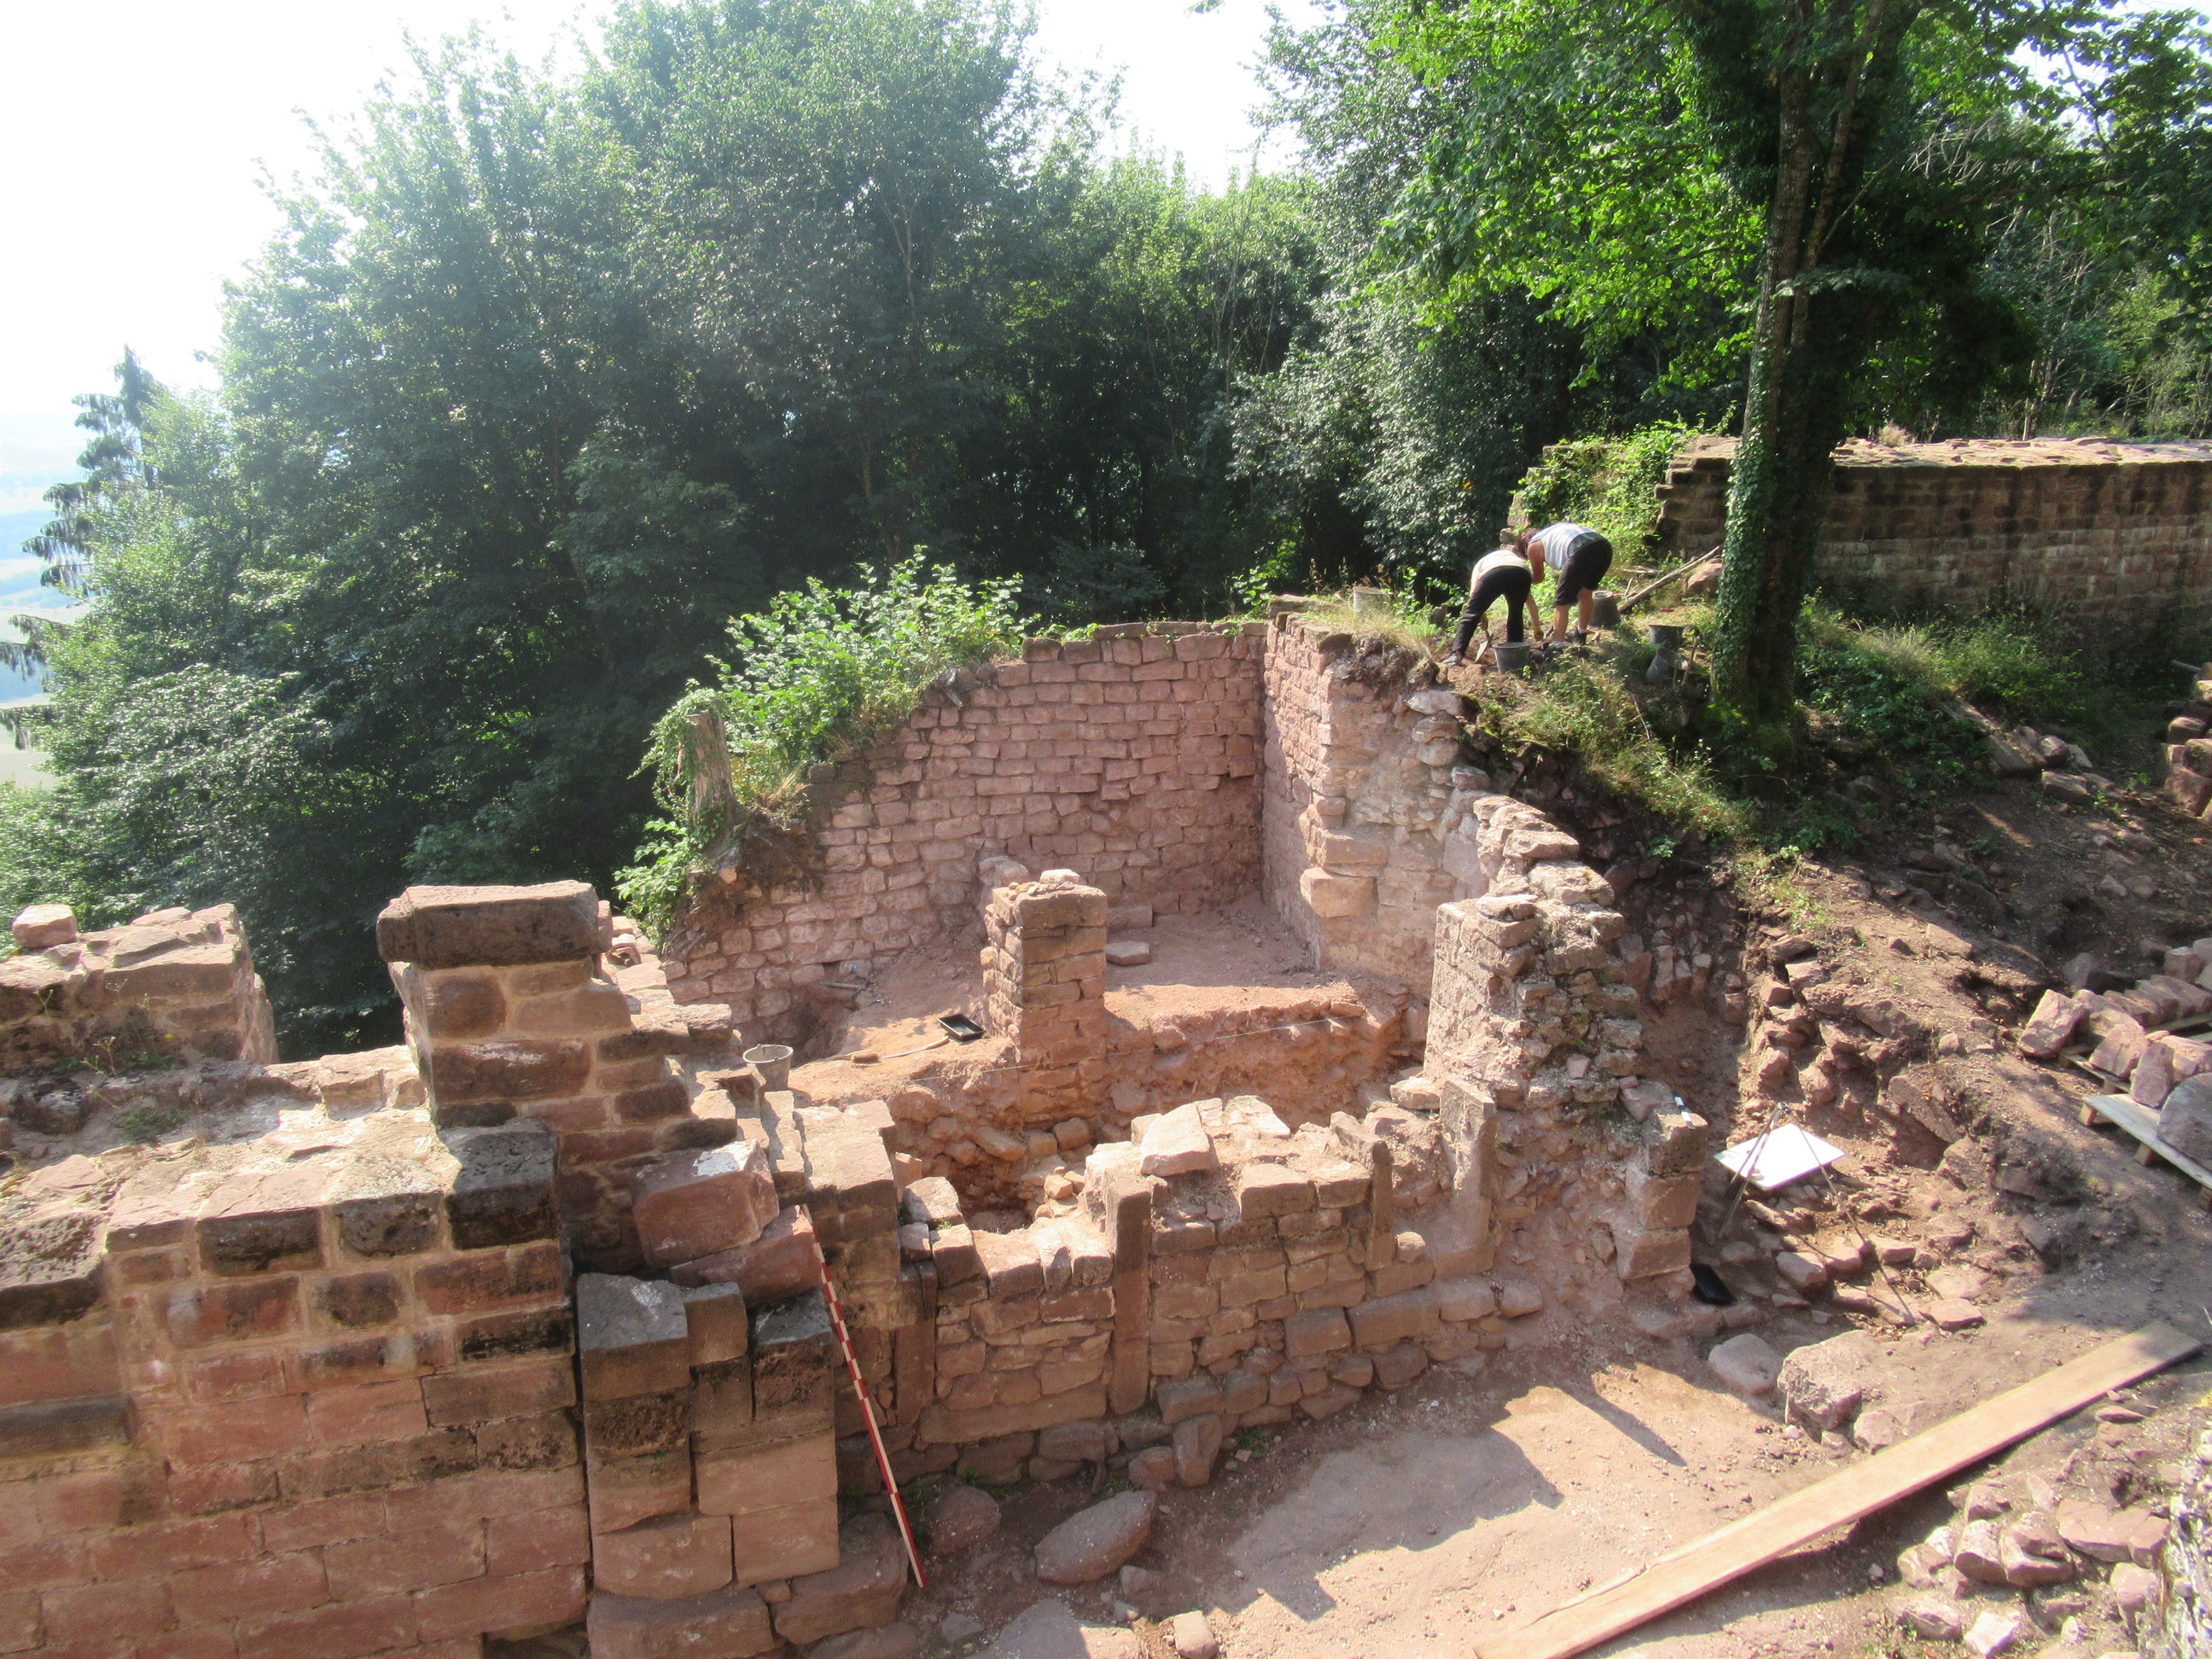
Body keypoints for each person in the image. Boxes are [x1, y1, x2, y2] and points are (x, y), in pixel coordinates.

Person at [1440, 544, 1544, 667]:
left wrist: (1478, 612)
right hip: (1522, 573)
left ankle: (1456, 655)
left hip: (1493, 573)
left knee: (1471, 614)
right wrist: (1536, 628)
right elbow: (1531, 604)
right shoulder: (1517, 561)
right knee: (1516, 614)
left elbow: (1473, 592)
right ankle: (1515, 660)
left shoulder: (1483, 561)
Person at [1520, 520, 1614, 644]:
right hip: (1603, 546)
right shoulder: (1555, 531)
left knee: (1561, 602)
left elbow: (1538, 578)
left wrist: (1522, 580)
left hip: (1580, 549)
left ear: (1526, 541)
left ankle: (1557, 645)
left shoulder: (1533, 544)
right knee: (1586, 592)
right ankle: (1581, 634)